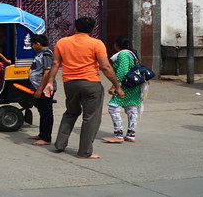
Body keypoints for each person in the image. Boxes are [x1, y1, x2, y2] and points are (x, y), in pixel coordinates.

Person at [40, 16, 125, 159]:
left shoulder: (63, 42)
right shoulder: (96, 44)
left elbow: (55, 64)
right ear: (92, 29)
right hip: (91, 83)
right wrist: (117, 86)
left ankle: (60, 144)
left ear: (75, 28)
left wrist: (50, 82)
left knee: (71, 112)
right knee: (91, 117)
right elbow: (105, 66)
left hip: (70, 83)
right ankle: (84, 152)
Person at [103, 36, 144, 144]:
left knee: (113, 108)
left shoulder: (123, 55)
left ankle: (118, 134)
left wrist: (115, 86)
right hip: (134, 86)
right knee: (131, 109)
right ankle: (131, 134)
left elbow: (122, 71)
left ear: (116, 45)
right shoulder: (132, 54)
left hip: (124, 86)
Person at [28, 34, 55, 145]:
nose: (32, 46)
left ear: (38, 44)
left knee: (46, 112)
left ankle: (46, 138)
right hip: (37, 86)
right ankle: (41, 134)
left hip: (44, 88)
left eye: (33, 44)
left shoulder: (46, 54)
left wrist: (40, 89)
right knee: (42, 111)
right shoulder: (39, 54)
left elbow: (47, 72)